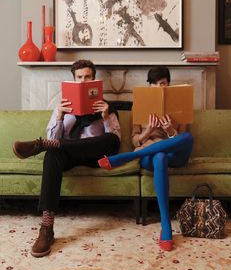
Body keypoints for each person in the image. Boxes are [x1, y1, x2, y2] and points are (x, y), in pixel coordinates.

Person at [12, 59, 121, 258]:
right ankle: (46, 227)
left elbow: (116, 141)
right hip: (68, 153)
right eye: (79, 77)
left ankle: (40, 145)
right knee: (53, 151)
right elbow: (54, 136)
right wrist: (61, 115)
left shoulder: (106, 106)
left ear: (94, 79)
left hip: (95, 155)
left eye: (87, 77)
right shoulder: (62, 105)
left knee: (111, 139)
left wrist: (105, 117)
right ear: (74, 79)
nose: (83, 80)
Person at [98, 66, 193, 252]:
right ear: (149, 86)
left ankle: (127, 157)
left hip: (175, 154)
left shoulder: (179, 104)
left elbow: (183, 137)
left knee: (189, 138)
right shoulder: (139, 105)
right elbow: (135, 139)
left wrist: (170, 131)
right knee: (159, 157)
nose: (161, 87)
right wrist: (148, 131)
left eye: (164, 84)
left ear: (168, 84)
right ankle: (166, 225)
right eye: (156, 85)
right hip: (150, 154)